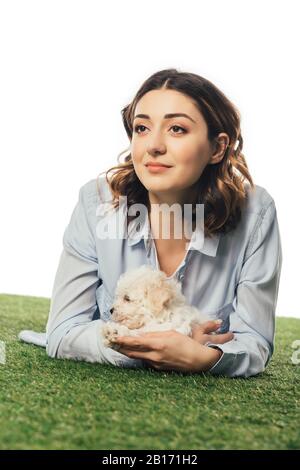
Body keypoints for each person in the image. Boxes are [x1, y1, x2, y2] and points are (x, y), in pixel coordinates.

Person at [18, 68, 282, 377]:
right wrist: (152, 347)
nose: (153, 145)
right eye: (141, 128)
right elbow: (63, 332)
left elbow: (254, 342)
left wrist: (203, 358)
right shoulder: (98, 203)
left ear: (217, 147)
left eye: (177, 129)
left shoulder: (255, 214)